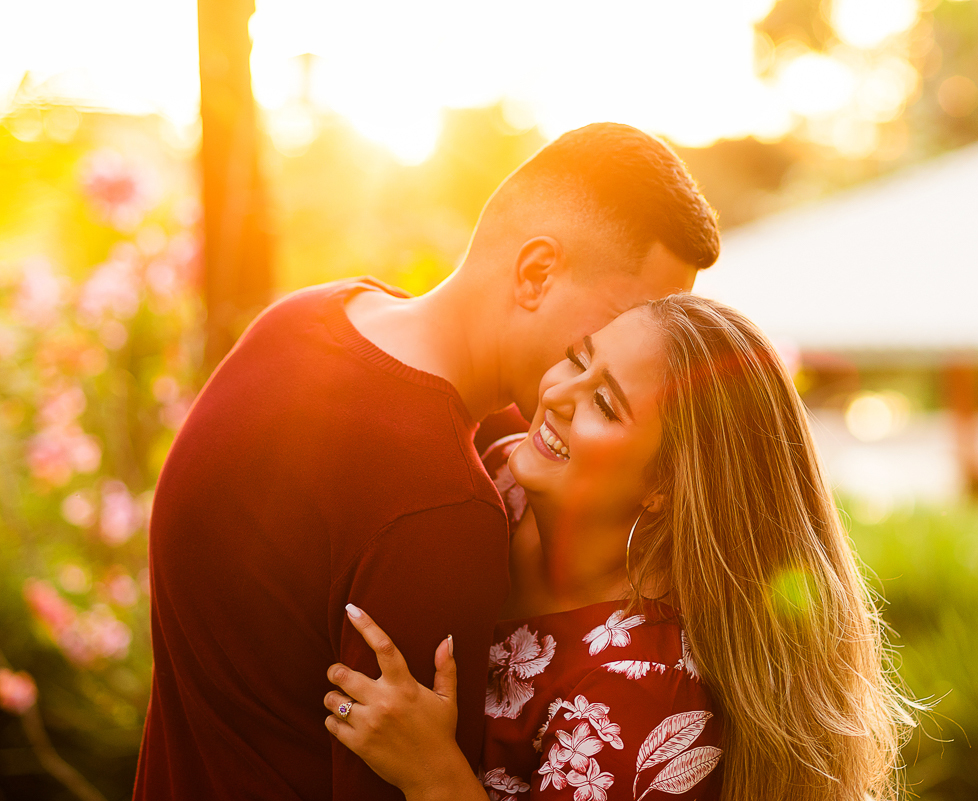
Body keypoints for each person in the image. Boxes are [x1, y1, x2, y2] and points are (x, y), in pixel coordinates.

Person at [134, 124, 720, 800]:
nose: (635, 350)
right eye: (622, 320)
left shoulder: (303, 320)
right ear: (536, 272)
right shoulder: (442, 509)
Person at [321, 295, 913, 801]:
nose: (557, 393)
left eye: (604, 403)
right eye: (578, 358)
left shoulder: (642, 695)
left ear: (664, 487)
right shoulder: (506, 477)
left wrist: (436, 779)